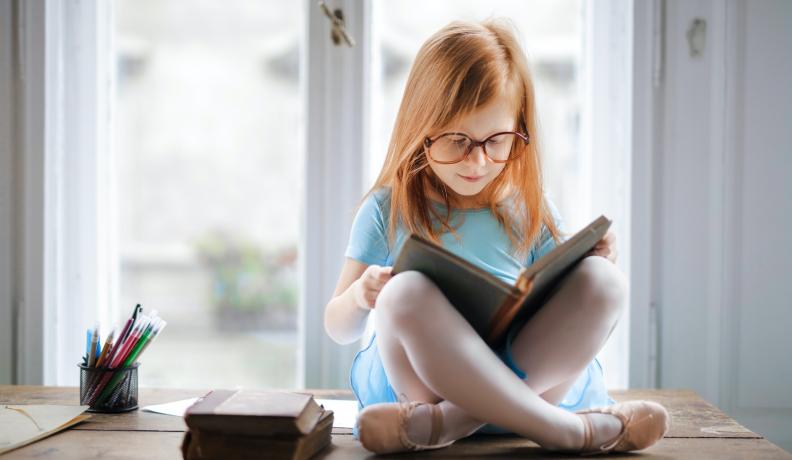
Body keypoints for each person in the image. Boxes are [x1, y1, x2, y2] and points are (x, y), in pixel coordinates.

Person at [323, 18, 670, 456]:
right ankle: (566, 432)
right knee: (402, 293)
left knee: (605, 281)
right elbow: (337, 327)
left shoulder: (528, 204)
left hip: (518, 386)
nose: (479, 161)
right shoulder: (387, 208)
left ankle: (452, 422)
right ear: (420, 128)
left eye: (497, 140)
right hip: (423, 388)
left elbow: (569, 294)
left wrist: (596, 257)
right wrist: (360, 295)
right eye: (456, 141)